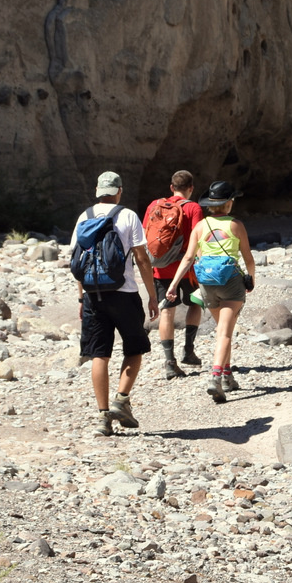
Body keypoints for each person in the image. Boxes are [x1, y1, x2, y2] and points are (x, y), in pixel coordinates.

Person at [70, 170, 159, 435]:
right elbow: (142, 258)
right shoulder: (128, 215)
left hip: (92, 295)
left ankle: (102, 418)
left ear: (97, 191)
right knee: (134, 348)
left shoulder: (83, 216)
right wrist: (152, 295)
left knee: (99, 354)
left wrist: (81, 297)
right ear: (119, 190)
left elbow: (77, 260)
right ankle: (121, 399)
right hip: (124, 292)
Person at [166, 180, 255, 403]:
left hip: (206, 283)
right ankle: (215, 378)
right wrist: (251, 278)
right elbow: (248, 258)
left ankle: (228, 377)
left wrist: (173, 284)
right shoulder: (236, 225)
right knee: (224, 333)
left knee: (221, 329)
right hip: (231, 282)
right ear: (229, 203)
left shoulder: (200, 226)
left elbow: (188, 258)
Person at [142, 170, 205, 379]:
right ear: (191, 188)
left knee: (167, 312)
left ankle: (169, 362)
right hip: (187, 270)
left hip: (160, 268)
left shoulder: (154, 206)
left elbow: (146, 235)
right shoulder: (193, 207)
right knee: (195, 304)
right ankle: (188, 350)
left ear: (171, 187)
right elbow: (198, 238)